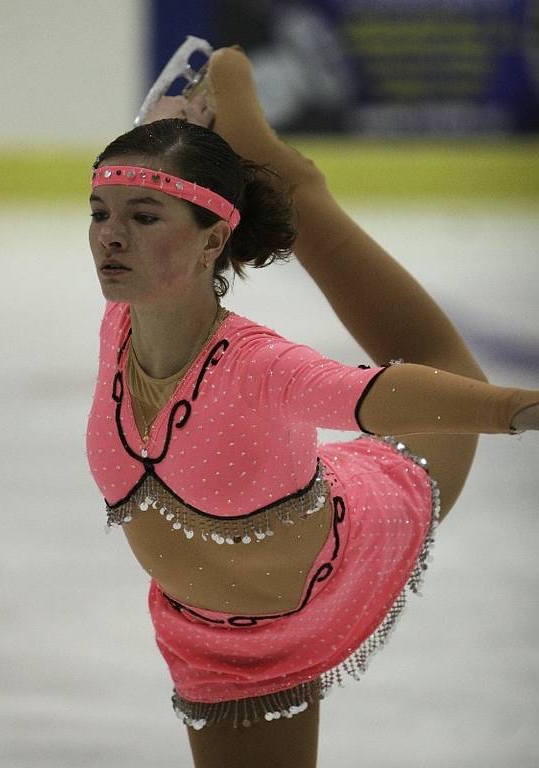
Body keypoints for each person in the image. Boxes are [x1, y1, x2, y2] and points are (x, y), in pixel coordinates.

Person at [86, 46, 538, 768]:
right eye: (99, 213)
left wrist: (520, 407)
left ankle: (277, 169)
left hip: (355, 541)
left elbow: (380, 395)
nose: (108, 235)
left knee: (433, 352)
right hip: (208, 640)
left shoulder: (257, 365)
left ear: (214, 242)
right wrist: (165, 142)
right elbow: (157, 243)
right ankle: (241, 165)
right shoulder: (122, 325)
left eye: (141, 216)